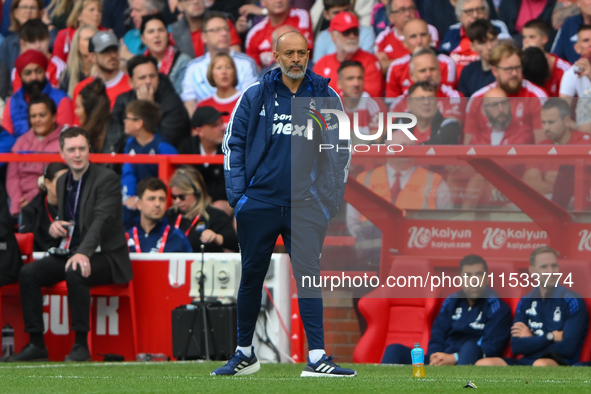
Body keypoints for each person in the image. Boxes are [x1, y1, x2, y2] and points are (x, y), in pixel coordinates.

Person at [214, 31, 355, 377]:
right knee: (251, 277)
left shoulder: (325, 94)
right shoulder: (255, 93)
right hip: (258, 202)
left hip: (306, 204)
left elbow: (341, 150)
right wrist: (240, 199)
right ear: (275, 56)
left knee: (309, 278)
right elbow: (233, 144)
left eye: (301, 53)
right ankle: (245, 353)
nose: (296, 59)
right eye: (288, 53)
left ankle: (318, 357)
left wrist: (326, 203)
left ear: (309, 55)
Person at [7, 127, 133, 362]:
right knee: (29, 273)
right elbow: (72, 219)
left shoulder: (107, 179)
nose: (77, 154)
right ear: (62, 153)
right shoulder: (63, 179)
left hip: (105, 255)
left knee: (75, 270)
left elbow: (101, 221)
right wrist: (57, 225)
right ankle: (36, 344)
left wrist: (83, 253)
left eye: (82, 149)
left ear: (89, 150)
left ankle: (80, 346)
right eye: (72, 149)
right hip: (72, 251)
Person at [382, 255, 512, 365]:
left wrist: (454, 358)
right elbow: (438, 334)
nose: (473, 280)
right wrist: (436, 357)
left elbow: (490, 349)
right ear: (460, 279)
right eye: (468, 275)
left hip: (469, 362)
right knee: (394, 350)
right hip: (442, 359)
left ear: (486, 278)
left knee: (470, 347)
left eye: (479, 275)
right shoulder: (451, 301)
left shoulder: (498, 307)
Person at [476, 246, 589, 366]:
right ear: (532, 271)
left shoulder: (573, 301)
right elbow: (516, 346)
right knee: (484, 364)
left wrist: (531, 339)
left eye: (554, 266)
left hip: (557, 363)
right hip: (526, 362)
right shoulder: (526, 301)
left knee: (540, 364)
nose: (551, 271)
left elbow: (568, 348)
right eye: (544, 267)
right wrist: (550, 337)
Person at [465, 41, 547, 144]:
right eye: (508, 69)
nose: (514, 73)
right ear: (494, 71)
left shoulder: (536, 96)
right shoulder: (478, 99)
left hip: (524, 159)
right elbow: (468, 147)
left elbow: (543, 147)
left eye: (518, 68)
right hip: (485, 159)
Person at [181, 12, 258, 117]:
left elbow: (251, 101)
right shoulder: (193, 68)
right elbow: (189, 103)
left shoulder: (246, 63)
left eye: (226, 29)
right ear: (204, 37)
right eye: (216, 30)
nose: (224, 33)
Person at [112, 55, 191, 149]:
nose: (148, 81)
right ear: (131, 82)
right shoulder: (123, 101)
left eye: (152, 76)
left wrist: (147, 108)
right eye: (142, 78)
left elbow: (167, 141)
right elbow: (115, 139)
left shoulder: (172, 102)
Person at [6, 94, 66, 217]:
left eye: (42, 115)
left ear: (54, 117)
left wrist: (31, 198)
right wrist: (16, 203)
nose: (37, 120)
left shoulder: (64, 142)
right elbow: (12, 177)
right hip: (17, 201)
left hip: (47, 200)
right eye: (33, 116)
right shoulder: (21, 141)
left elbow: (56, 179)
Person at [522, 99, 591, 200]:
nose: (546, 127)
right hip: (548, 205)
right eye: (543, 122)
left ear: (567, 121)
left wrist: (544, 176)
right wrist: (563, 187)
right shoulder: (541, 147)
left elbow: (585, 182)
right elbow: (528, 183)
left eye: (551, 122)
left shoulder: (585, 143)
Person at [121, 99, 177, 213]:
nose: (124, 121)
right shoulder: (130, 144)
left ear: (139, 123)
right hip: (137, 201)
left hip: (160, 203)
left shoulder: (163, 147)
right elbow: (128, 173)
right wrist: (130, 196)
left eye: (128, 118)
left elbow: (174, 179)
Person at [2, 49, 74, 137]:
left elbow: (66, 137)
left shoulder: (62, 100)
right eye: (28, 73)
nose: (34, 77)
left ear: (45, 72)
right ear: (20, 76)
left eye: (38, 71)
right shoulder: (13, 102)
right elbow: (6, 137)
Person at [165, 166, 238, 253]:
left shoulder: (215, 216)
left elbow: (234, 242)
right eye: (174, 196)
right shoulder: (170, 215)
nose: (177, 201)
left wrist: (216, 237)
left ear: (197, 193)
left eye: (182, 196)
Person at [313, 11, 384, 97]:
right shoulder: (322, 63)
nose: (352, 36)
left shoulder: (370, 61)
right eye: (346, 32)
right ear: (333, 36)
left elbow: (370, 100)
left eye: (355, 32)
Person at [385, 18, 457, 98]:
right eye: (413, 36)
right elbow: (391, 102)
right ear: (404, 43)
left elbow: (446, 97)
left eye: (423, 35)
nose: (419, 41)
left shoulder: (446, 63)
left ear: (430, 38)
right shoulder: (395, 67)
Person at [178, 106, 228, 214]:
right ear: (199, 131)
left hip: (223, 203)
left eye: (221, 123)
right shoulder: (187, 147)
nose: (222, 128)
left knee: (218, 207)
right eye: (215, 125)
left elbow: (231, 186)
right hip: (193, 202)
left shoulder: (231, 147)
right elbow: (183, 180)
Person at [440, 0, 511, 75]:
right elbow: (442, 59)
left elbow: (508, 56)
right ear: (460, 16)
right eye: (469, 11)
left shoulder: (497, 27)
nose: (475, 15)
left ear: (486, 13)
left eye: (479, 10)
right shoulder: (453, 31)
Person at [72, 30, 132, 117]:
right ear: (93, 57)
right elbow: (78, 126)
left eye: (114, 50)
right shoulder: (81, 88)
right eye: (105, 51)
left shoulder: (132, 84)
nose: (112, 55)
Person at [126, 177, 193, 253]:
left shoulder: (177, 237)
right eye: (151, 199)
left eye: (162, 199)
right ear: (139, 204)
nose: (157, 204)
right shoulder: (126, 238)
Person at [244, 0, 314, 68]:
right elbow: (255, 71)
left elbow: (303, 50)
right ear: (263, 2)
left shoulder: (301, 16)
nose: (278, 1)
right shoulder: (254, 34)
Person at [374, 0, 439, 72]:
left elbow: (429, 60)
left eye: (411, 8)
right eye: (402, 10)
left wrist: (391, 62)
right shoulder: (383, 37)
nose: (408, 13)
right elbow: (378, 67)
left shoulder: (428, 30)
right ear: (391, 17)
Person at [19, 162, 69, 251]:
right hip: (39, 258)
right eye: (61, 181)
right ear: (47, 183)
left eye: (68, 182)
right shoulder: (31, 209)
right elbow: (26, 242)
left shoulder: (75, 205)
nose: (65, 186)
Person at [169, 0, 242, 59]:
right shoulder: (174, 31)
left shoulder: (222, 21)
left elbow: (236, 58)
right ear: (179, 6)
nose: (196, 1)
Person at [338, 60, 388, 145]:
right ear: (339, 84)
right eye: (350, 78)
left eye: (360, 78)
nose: (356, 83)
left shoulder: (375, 105)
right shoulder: (330, 105)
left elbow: (375, 144)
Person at [141, 14, 191, 96]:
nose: (156, 35)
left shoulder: (183, 62)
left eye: (161, 30)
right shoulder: (140, 65)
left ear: (168, 35)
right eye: (151, 32)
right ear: (143, 39)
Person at [12, 18, 67, 92]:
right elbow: (19, 98)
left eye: (41, 40)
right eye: (33, 41)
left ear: (48, 39)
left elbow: (56, 97)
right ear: (23, 44)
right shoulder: (17, 69)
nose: (38, 46)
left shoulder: (59, 66)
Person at [75, 78, 126, 155]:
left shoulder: (120, 136)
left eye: (78, 107)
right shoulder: (80, 136)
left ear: (91, 111)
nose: (75, 111)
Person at [523, 19, 571, 97]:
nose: (526, 41)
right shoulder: (520, 64)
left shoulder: (563, 68)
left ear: (544, 39)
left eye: (532, 37)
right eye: (524, 37)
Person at [559, 25, 591, 133]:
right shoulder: (571, 73)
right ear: (577, 48)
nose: (590, 44)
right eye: (586, 40)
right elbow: (562, 112)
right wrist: (580, 128)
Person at [195, 53, 240, 128]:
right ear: (211, 73)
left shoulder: (248, 102)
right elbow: (196, 133)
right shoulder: (203, 106)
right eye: (219, 68)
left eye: (228, 67)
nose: (224, 72)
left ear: (234, 72)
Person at [456, 19, 498, 97]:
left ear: (497, 39)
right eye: (482, 43)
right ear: (472, 47)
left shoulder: (507, 68)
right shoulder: (468, 72)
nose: (489, 47)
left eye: (492, 40)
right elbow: (463, 103)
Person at [0, 0, 44, 72]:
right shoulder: (7, 43)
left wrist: (49, 25)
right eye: (24, 7)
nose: (28, 11)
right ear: (15, 13)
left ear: (40, 13)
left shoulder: (47, 40)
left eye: (33, 8)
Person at [59, 24, 98, 97]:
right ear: (77, 45)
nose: (92, 43)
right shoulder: (66, 75)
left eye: (95, 39)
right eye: (87, 39)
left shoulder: (103, 71)